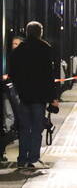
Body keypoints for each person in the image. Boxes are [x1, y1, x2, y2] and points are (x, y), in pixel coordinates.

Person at [8, 22, 59, 171]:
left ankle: (22, 159)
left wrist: (19, 88)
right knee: (37, 128)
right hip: (39, 96)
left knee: (24, 128)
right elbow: (49, 75)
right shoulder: (45, 48)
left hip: (23, 96)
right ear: (40, 32)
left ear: (27, 32)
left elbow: (12, 73)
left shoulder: (19, 50)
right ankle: (34, 158)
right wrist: (53, 98)